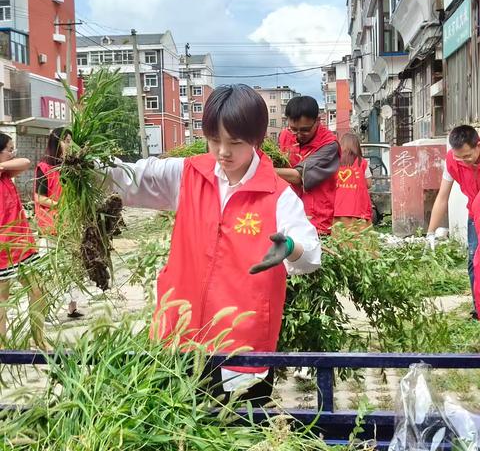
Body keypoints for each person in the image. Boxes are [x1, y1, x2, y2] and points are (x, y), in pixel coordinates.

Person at [105, 84, 321, 404]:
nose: (223, 152)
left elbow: (311, 253)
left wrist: (290, 248)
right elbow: (133, 178)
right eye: (214, 140)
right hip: (178, 338)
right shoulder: (188, 174)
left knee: (239, 431)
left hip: (242, 348)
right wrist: (85, 170)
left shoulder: (277, 195)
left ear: (257, 139)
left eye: (234, 142)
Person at [427, 124, 480, 320]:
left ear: (477, 145)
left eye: (467, 156)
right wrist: (430, 232)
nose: (463, 161)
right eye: (459, 157)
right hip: (475, 214)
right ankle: (478, 310)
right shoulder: (452, 161)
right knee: (474, 261)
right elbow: (443, 196)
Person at [0, 132, 46, 349]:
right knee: (2, 302)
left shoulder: (6, 174)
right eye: (9, 149)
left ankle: (38, 339)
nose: (13, 153)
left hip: (23, 247)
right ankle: (2, 346)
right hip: (2, 251)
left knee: (38, 291)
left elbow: (25, 162)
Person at [34, 127, 84, 319]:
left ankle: (72, 308)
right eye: (66, 140)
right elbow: (39, 197)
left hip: (69, 225)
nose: (69, 144)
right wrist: (60, 204)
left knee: (71, 268)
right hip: (51, 227)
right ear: (56, 142)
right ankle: (46, 310)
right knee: (51, 269)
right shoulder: (44, 167)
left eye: (71, 140)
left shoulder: (71, 169)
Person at [277, 96, 340, 234]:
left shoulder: (329, 144)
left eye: (305, 130)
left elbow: (299, 176)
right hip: (288, 214)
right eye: (294, 129)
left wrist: (265, 169)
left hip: (317, 219)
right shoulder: (285, 136)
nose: (298, 134)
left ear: (317, 121)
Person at [333, 132, 372, 232]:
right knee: (360, 239)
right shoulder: (362, 162)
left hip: (338, 207)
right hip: (359, 207)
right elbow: (368, 184)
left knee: (340, 237)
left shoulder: (335, 162)